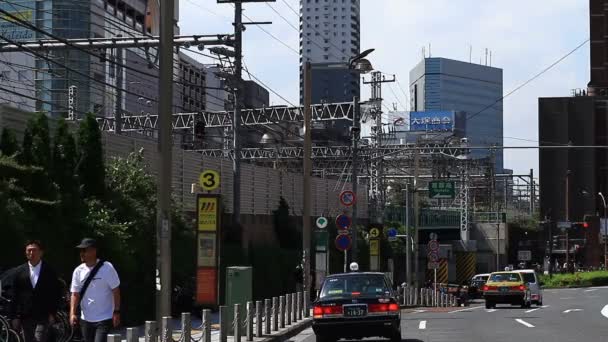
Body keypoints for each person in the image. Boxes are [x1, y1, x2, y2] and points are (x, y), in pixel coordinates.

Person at [9, 240, 62, 342]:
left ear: (41, 252)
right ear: (25, 252)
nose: (31, 253)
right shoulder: (19, 272)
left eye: (34, 250)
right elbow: (15, 295)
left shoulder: (49, 271)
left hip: (43, 315)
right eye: (29, 250)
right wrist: (14, 316)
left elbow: (56, 293)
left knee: (40, 338)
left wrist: (53, 313)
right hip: (25, 315)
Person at [69, 238, 121, 342]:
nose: (82, 254)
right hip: (86, 318)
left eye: (84, 250)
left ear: (94, 251)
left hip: (104, 316)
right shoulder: (78, 271)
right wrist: (72, 313)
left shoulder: (107, 268)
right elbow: (75, 294)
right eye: (81, 251)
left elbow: (116, 291)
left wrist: (116, 312)